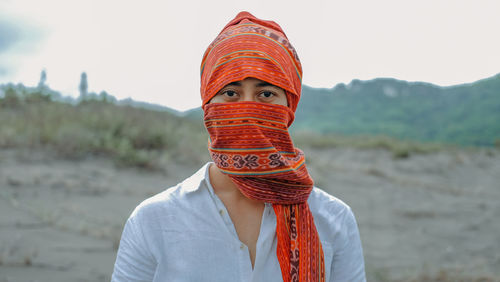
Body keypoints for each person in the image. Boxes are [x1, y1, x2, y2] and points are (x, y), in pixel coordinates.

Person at [111, 11, 365, 282]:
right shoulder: (154, 220)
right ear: (208, 105)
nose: (247, 108)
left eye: (266, 94)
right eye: (230, 93)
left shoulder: (333, 219)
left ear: (289, 107)